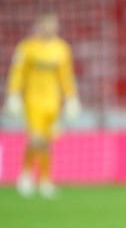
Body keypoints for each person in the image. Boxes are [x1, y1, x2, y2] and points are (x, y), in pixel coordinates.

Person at [4, 13, 80, 199]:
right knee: (35, 138)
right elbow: (17, 72)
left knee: (46, 141)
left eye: (53, 25)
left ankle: (45, 180)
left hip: (52, 101)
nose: (50, 28)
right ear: (39, 26)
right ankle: (26, 174)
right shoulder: (27, 47)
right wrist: (13, 94)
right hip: (32, 99)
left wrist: (71, 97)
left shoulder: (62, 48)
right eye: (46, 25)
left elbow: (66, 75)